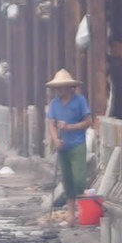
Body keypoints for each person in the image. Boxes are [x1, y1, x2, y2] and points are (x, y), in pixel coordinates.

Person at [45, 69, 95, 209]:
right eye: (57, 87)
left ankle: (81, 208)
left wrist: (69, 127)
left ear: (69, 87)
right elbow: (52, 125)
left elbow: (88, 121)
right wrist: (55, 140)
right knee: (66, 180)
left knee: (79, 180)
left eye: (61, 87)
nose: (59, 90)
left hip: (77, 144)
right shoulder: (54, 104)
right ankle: (71, 213)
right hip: (63, 146)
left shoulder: (79, 101)